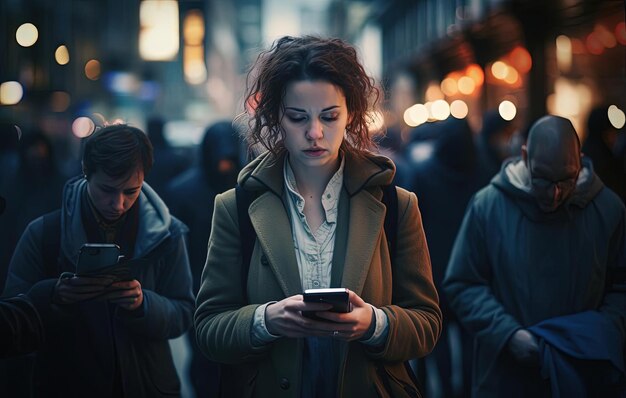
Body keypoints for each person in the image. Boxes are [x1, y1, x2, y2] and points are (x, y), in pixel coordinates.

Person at [194, 35, 441, 398]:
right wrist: (266, 320)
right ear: (276, 115)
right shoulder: (236, 207)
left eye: (329, 116)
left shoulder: (397, 205)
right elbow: (208, 329)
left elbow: (428, 323)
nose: (314, 133)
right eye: (297, 117)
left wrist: (374, 323)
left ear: (352, 115)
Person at [3, 124, 194, 397]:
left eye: (131, 191)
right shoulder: (44, 233)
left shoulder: (167, 233)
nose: (117, 203)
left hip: (145, 384)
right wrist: (54, 295)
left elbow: (184, 313)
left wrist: (143, 304)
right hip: (66, 384)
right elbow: (11, 317)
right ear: (86, 172)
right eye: (107, 189)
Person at [443, 115, 626, 397]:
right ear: (525, 156)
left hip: (587, 375)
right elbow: (462, 283)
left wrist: (601, 332)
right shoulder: (489, 206)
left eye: (566, 180)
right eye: (543, 179)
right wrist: (508, 334)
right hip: (505, 378)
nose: (554, 194)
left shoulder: (609, 210)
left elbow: (621, 286)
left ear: (580, 160)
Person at [165, 120, 242, 397]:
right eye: (220, 159)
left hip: (240, 291)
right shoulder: (183, 191)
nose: (224, 166)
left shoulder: (248, 188)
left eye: (229, 160)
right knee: (204, 365)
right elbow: (175, 249)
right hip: (197, 288)